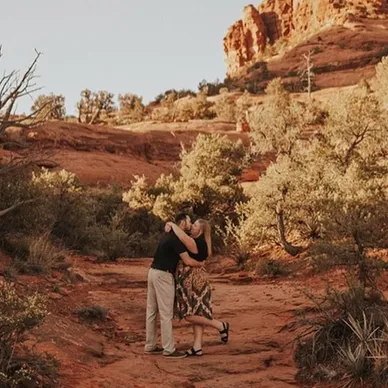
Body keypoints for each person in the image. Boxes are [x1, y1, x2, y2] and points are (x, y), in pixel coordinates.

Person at [166, 219, 230, 357]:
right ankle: (197, 347)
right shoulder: (201, 242)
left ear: (200, 230)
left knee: (189, 315)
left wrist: (172, 225)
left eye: (194, 226)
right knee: (197, 312)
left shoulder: (198, 242)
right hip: (195, 278)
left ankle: (220, 325)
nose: (192, 227)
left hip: (193, 280)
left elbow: (183, 237)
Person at [144, 213, 204, 359]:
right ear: (183, 223)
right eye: (189, 221)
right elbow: (188, 260)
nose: (190, 225)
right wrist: (200, 264)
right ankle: (169, 349)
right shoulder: (176, 238)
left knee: (152, 311)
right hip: (163, 275)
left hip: (153, 272)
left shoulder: (169, 234)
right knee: (166, 314)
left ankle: (150, 345)